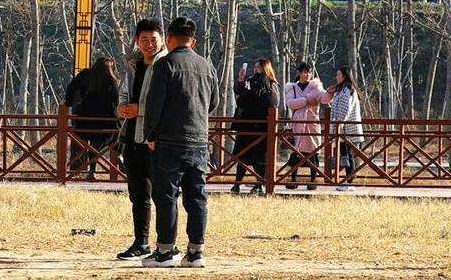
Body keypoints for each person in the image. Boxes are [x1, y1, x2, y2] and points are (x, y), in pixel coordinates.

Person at [140, 16, 218, 267]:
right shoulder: (207, 66)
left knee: (166, 196)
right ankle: (196, 252)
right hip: (198, 140)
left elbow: (155, 103)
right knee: (197, 196)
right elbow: (214, 103)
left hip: (169, 140)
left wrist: (150, 134)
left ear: (170, 39)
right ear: (193, 41)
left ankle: (165, 251)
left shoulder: (166, 65)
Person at [114, 18, 164, 261]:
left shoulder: (165, 65)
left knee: (163, 195)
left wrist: (139, 109)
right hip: (133, 137)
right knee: (138, 195)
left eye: (153, 39)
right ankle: (141, 242)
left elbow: (165, 102)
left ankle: (165, 245)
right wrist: (123, 108)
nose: (149, 44)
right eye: (144, 39)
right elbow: (124, 93)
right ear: (137, 41)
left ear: (162, 39)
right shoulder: (134, 65)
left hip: (157, 140)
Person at [224, 59, 279, 195]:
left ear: (265, 69)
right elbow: (239, 95)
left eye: (259, 67)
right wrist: (241, 80)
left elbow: (272, 102)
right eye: (255, 67)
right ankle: (237, 184)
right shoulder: (249, 81)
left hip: (261, 126)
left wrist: (251, 94)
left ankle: (259, 184)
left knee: (259, 158)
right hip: (246, 124)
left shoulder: (271, 84)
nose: (256, 70)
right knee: (242, 156)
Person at [64, 57, 120, 180]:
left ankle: (85, 171)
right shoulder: (111, 80)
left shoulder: (85, 74)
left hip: (84, 119)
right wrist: (116, 118)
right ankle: (118, 160)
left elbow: (71, 88)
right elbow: (115, 101)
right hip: (104, 121)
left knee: (91, 144)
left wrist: (68, 102)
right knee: (116, 137)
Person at [282, 63, 327, 190]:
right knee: (297, 151)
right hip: (298, 123)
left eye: (309, 72)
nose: (307, 74)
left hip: (312, 123)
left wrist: (331, 92)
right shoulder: (293, 88)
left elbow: (324, 98)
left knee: (313, 152)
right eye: (305, 72)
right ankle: (293, 179)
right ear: (300, 73)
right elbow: (291, 103)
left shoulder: (315, 87)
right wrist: (307, 101)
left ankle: (313, 180)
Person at [327, 66, 364, 188]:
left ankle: (349, 180)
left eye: (338, 74)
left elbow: (344, 110)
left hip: (347, 128)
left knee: (348, 155)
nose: (336, 77)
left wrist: (339, 124)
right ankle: (348, 179)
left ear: (344, 76)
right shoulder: (342, 89)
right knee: (345, 154)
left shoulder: (348, 90)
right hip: (343, 128)